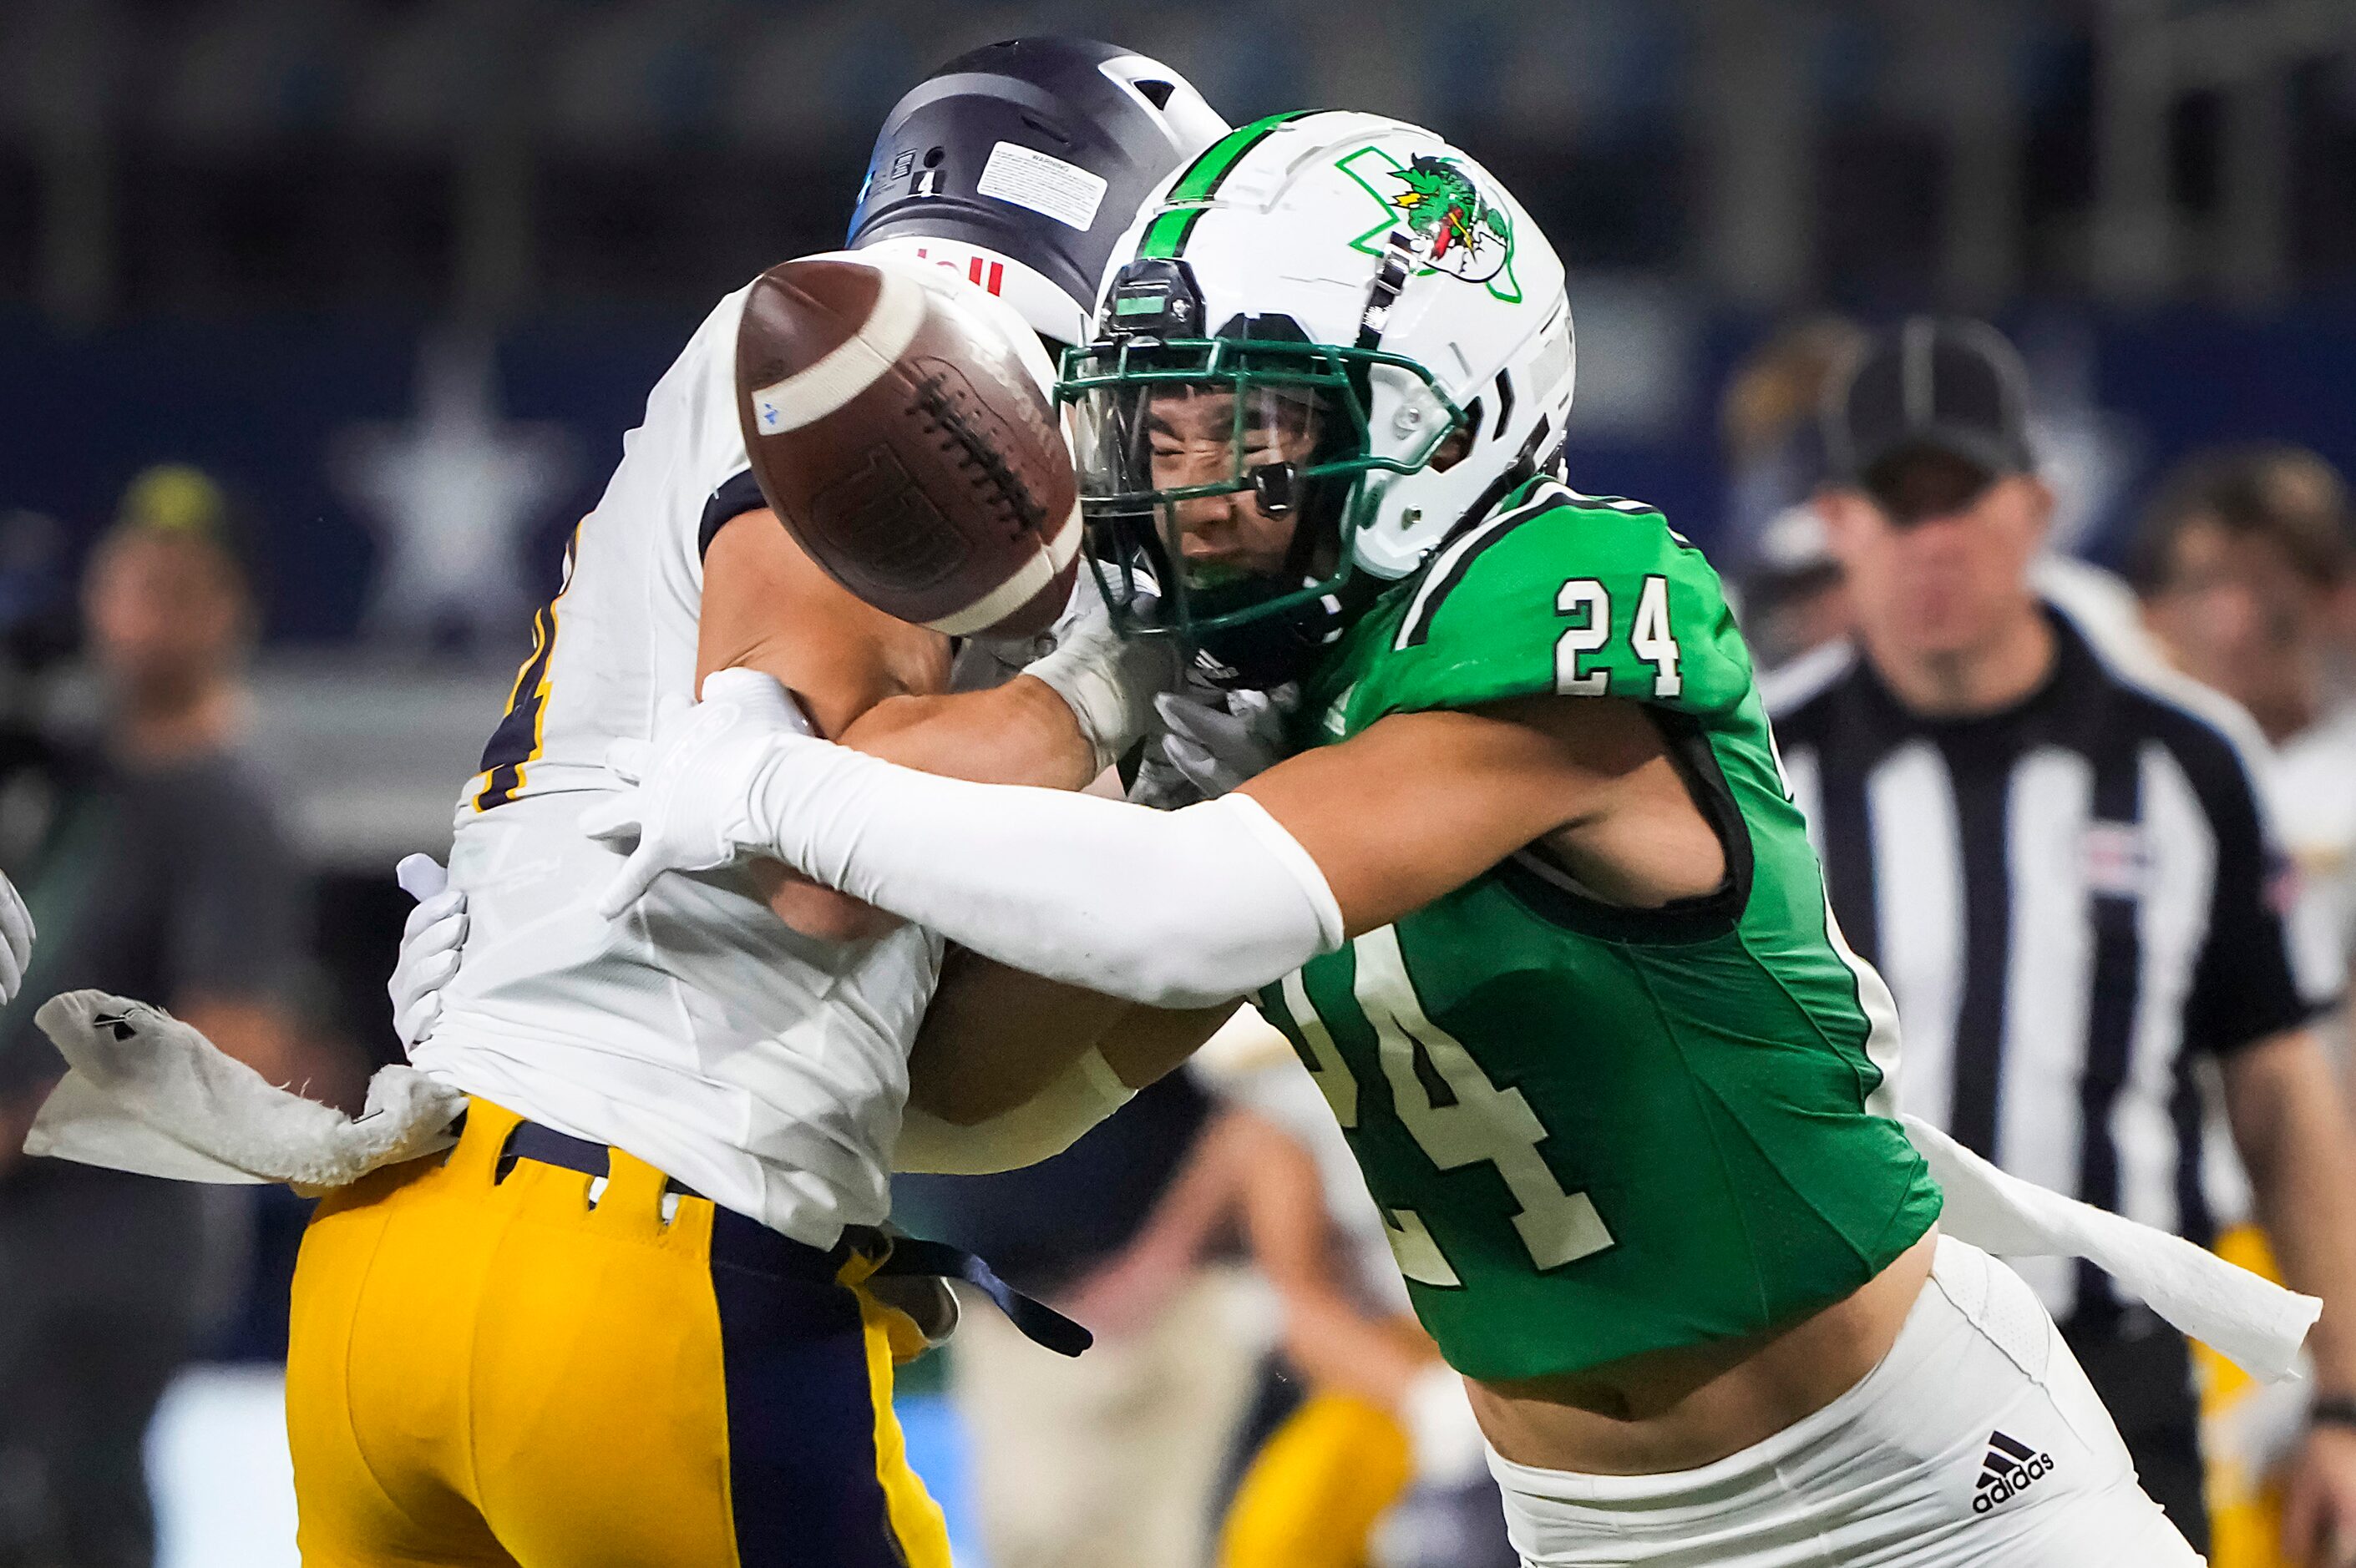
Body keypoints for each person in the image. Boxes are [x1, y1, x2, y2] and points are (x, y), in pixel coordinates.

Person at [585, 112, 2268, 1565]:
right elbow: (967, 1101)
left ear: (1438, 425)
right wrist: (1099, 701)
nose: (1186, 493)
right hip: (1591, 1528)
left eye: (1246, 431)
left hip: (1925, 1489)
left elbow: (1183, 915)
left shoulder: (1561, 599)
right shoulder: (1259, 694)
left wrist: (770, 782)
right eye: (1155, 433)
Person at [259, 41, 1223, 1568]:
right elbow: (810, 853)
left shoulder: (794, 358)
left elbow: (957, 1088)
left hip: (404, 1262)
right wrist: (1104, 694)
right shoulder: (912, 358)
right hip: (632, 1267)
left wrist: (1187, 838)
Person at [1765, 319, 2356, 1563]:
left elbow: (2278, 1093)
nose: (1930, 536)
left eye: (1960, 495)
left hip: (2112, 1377)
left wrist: (2344, 1399)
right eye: (1892, 499)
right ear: (1837, 521)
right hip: (1829, 1383)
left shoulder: (2184, 757)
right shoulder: (1755, 772)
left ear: (2034, 505)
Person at [0, 466, 310, 1568]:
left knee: (71, 1518)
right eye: (130, 582)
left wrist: (21, 1118)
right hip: (36, 1242)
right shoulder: (84, 780)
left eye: (182, 588)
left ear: (234, 612)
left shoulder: (223, 800)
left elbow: (240, 1040)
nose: (146, 613)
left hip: (113, 1248)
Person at [2132, 444, 2356, 1565]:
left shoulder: (2329, 785)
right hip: (2186, 1235)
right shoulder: (2123, 772)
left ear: (2332, 599)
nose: (2230, 620)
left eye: (2264, 587)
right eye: (2204, 585)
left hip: (2317, 1222)